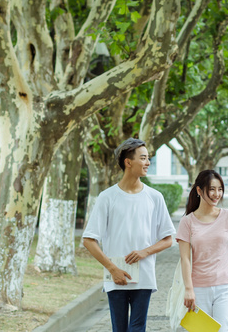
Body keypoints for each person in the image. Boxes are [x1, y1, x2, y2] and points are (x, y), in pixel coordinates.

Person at [82, 138, 177, 332]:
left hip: (144, 275)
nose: (148, 162)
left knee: (137, 328)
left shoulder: (154, 197)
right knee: (119, 329)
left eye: (148, 158)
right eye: (143, 158)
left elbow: (169, 238)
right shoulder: (107, 197)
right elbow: (89, 239)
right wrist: (112, 269)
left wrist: (145, 252)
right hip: (116, 278)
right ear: (128, 162)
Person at [176, 170, 228, 332]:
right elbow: (185, 259)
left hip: (225, 286)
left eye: (220, 189)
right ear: (199, 191)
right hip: (198, 288)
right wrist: (188, 289)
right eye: (212, 189)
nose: (217, 194)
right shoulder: (187, 222)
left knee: (224, 329)